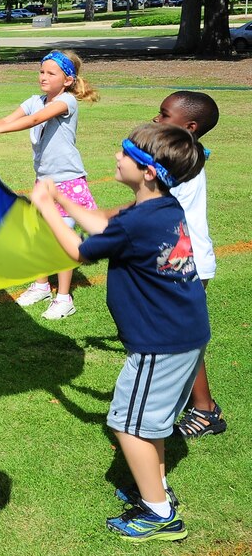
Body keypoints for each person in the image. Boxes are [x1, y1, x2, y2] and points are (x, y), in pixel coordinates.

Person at [30, 122, 208, 542]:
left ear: (147, 172)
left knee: (128, 423)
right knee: (147, 422)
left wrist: (46, 210)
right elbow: (98, 225)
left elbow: (76, 250)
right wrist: (59, 198)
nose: (116, 157)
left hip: (159, 342)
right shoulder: (161, 207)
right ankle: (155, 488)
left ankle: (159, 514)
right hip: (182, 333)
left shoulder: (137, 221)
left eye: (125, 154)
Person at [0, 49, 99, 319]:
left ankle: (64, 298)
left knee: (61, 241)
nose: (43, 76)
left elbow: (34, 120)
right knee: (38, 233)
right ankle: (41, 285)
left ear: (67, 80)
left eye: (51, 73)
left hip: (67, 182)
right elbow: (9, 119)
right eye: (42, 71)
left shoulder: (66, 102)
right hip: (44, 180)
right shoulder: (35, 100)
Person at [153, 91, 226, 438]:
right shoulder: (182, 159)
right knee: (178, 336)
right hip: (183, 259)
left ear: (189, 126)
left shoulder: (182, 167)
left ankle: (205, 410)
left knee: (183, 340)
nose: (157, 119)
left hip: (187, 263)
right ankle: (197, 403)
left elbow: (151, 212)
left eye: (164, 115)